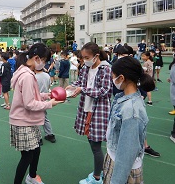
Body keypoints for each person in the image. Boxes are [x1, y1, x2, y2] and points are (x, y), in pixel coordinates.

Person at [10, 43, 62, 184]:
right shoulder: (27, 76)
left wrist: (48, 95)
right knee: (27, 156)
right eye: (44, 60)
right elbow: (29, 103)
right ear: (37, 58)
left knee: (36, 149)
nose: (44, 64)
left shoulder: (25, 71)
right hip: (23, 121)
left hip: (27, 120)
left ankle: (32, 176)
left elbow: (34, 95)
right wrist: (49, 104)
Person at [103, 56, 155, 184]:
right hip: (114, 157)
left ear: (121, 78)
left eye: (113, 75)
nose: (111, 79)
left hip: (123, 167)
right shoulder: (123, 98)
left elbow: (127, 153)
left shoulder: (131, 110)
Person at [67, 42, 112, 184]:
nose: (84, 60)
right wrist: (71, 87)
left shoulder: (105, 69)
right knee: (93, 143)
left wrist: (82, 90)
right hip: (87, 109)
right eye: (83, 57)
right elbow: (80, 82)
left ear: (96, 56)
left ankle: (97, 177)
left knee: (95, 145)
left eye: (86, 57)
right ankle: (101, 172)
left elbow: (105, 91)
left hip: (99, 111)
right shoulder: (86, 68)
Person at [35, 67, 56, 144]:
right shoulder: (47, 75)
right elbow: (49, 86)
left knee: (36, 119)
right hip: (45, 97)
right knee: (44, 117)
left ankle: (38, 138)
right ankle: (50, 134)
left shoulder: (34, 77)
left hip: (37, 99)